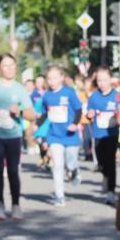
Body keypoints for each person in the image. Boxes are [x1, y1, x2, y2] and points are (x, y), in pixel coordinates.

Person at [0, 53, 35, 221]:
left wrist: (19, 111)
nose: (9, 68)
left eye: (12, 65)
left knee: (13, 171)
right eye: (5, 65)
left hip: (13, 135)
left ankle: (16, 205)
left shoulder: (20, 88)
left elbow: (31, 115)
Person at [40, 65, 82, 208]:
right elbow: (45, 114)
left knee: (70, 162)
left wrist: (75, 123)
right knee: (57, 166)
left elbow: (78, 109)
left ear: (62, 78)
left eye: (54, 78)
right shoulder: (46, 96)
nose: (51, 81)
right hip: (54, 135)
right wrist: (39, 128)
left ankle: (74, 170)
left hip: (70, 134)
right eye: (49, 78)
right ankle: (59, 196)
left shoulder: (69, 92)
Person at [86, 66, 120, 206]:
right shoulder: (94, 96)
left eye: (105, 80)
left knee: (110, 161)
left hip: (111, 133)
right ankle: (105, 175)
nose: (102, 83)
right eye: (99, 80)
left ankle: (111, 191)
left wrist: (119, 115)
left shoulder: (116, 95)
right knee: (101, 161)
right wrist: (90, 114)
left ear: (111, 79)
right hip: (98, 133)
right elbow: (89, 112)